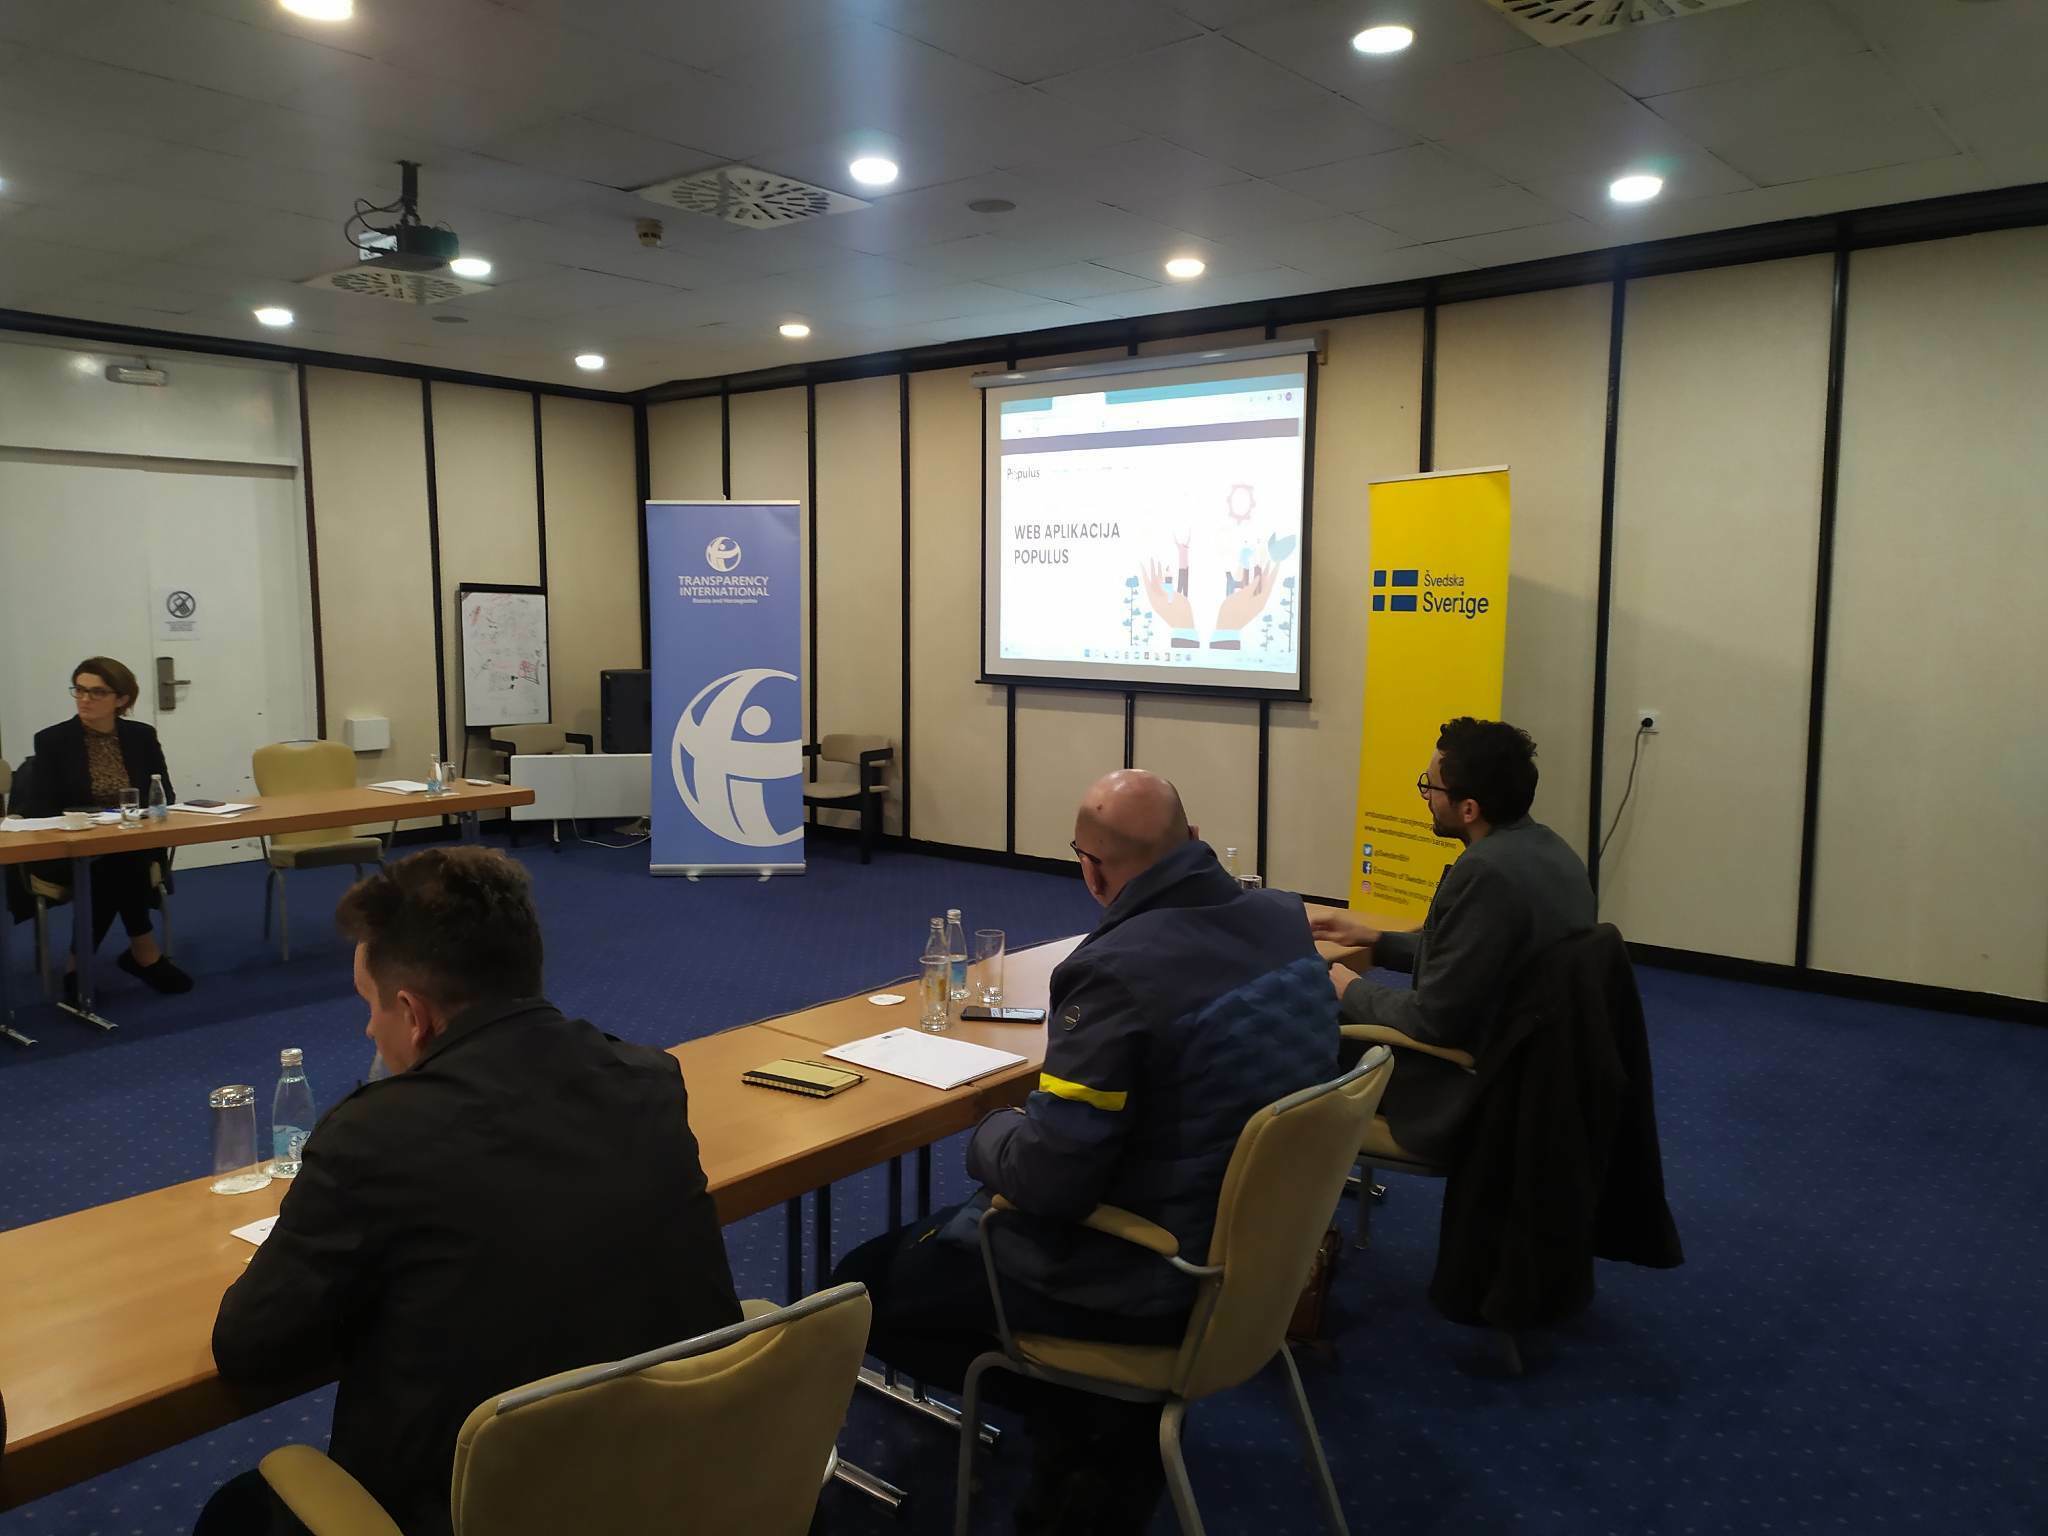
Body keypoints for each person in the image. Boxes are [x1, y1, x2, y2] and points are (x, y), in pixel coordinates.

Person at [832, 769, 1338, 1535]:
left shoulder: (1114, 970)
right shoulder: (1280, 917)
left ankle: (1089, 1415)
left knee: (859, 1286)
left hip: (1149, 1281)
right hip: (1254, 1267)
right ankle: (1095, 1428)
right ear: (1194, 840)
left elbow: (1051, 1181)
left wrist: (988, 1130)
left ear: (1091, 870)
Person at [198, 847, 740, 1536]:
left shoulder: (375, 1136)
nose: (368, 1030)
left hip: (479, 1505)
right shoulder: (649, 1078)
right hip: (681, 1480)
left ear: (412, 1014)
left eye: (370, 1008)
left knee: (239, 1512)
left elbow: (250, 1349)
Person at [1311, 716, 1595, 1159]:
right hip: (1534, 1066)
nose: (1426, 796)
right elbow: (1475, 961)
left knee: (1294, 1033)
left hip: (1467, 1085)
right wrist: (1376, 939)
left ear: (1468, 809)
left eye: (1431, 787)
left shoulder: (1486, 873)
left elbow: (1433, 1020)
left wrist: (1350, 987)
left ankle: (1288, 1185)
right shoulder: (1548, 850)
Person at [14, 656, 192, 996]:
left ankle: (79, 965)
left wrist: (128, 822)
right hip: (71, 846)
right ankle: (144, 952)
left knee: (118, 860)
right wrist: (96, 820)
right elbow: (42, 806)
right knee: (117, 864)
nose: (84, 699)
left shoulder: (140, 736)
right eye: (79, 690)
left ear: (121, 699)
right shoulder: (53, 740)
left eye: (97, 692)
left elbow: (162, 795)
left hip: (130, 841)